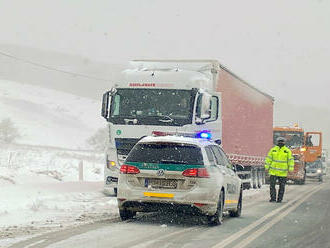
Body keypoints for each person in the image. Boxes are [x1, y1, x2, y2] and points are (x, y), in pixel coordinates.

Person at [265, 137, 294, 203]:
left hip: (283, 173)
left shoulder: (287, 151)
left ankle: (279, 199)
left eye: (282, 141)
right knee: (272, 186)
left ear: (284, 142)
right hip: (273, 172)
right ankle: (273, 198)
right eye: (279, 141)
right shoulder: (273, 150)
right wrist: (267, 167)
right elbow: (268, 159)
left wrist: (291, 169)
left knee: (282, 187)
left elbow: (290, 161)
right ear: (277, 142)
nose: (280, 143)